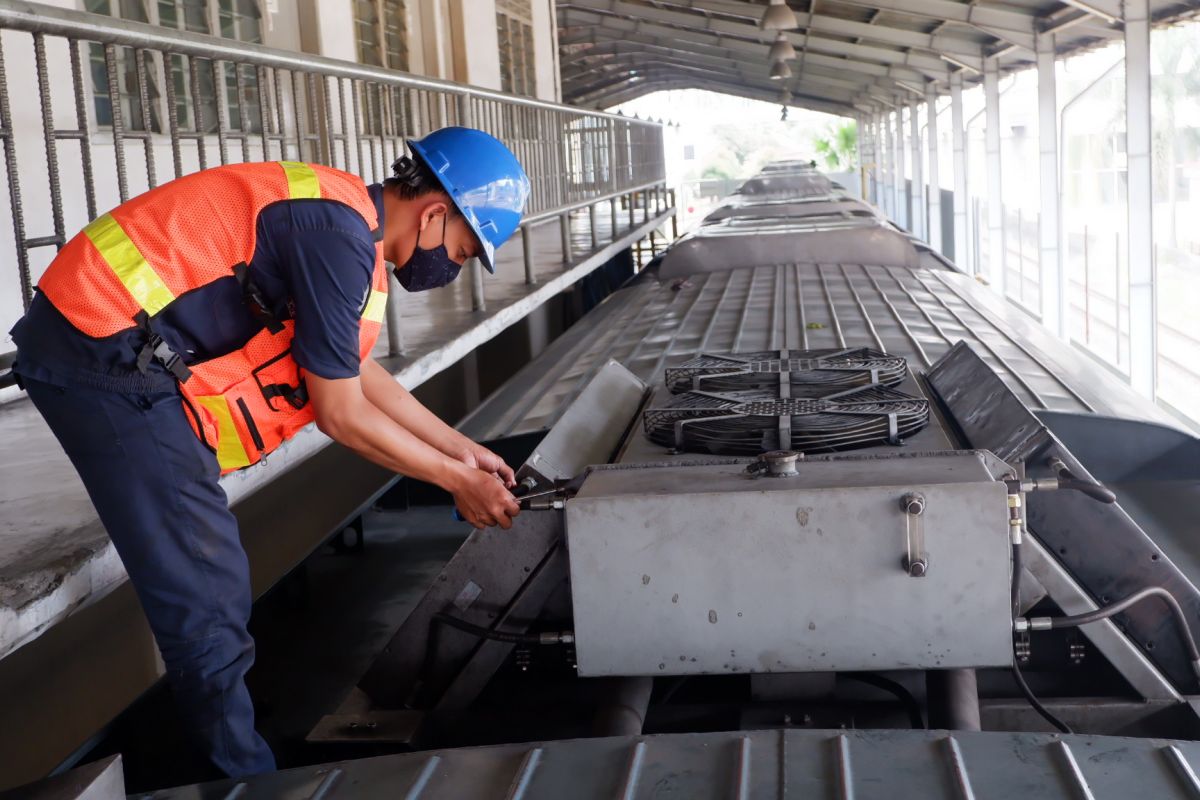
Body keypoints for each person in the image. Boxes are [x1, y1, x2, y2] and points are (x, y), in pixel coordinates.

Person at [7, 126, 528, 776]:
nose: (449, 267)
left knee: (208, 574)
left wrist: (464, 452)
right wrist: (455, 481)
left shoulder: (348, 228)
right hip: (101, 351)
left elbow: (356, 373)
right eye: (460, 249)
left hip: (115, 345)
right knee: (205, 581)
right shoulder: (337, 238)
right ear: (434, 213)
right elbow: (341, 414)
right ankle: (241, 776)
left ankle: (236, 749)